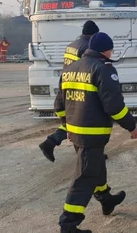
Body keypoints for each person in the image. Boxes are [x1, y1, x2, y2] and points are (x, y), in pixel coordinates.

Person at [57, 32, 137, 233]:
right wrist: (131, 126)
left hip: (76, 132)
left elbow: (59, 104)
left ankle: (106, 199)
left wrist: (66, 126)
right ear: (105, 50)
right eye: (111, 49)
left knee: (96, 165)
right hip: (92, 133)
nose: (112, 53)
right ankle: (68, 223)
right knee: (85, 175)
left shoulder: (70, 68)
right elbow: (114, 106)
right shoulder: (103, 69)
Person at [40, 20, 100, 162]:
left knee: (74, 120)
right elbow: (87, 66)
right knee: (81, 121)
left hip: (66, 82)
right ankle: (53, 142)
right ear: (93, 34)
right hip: (78, 84)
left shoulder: (72, 45)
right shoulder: (86, 47)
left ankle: (55, 144)